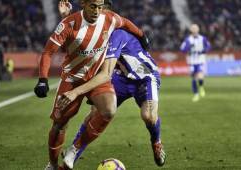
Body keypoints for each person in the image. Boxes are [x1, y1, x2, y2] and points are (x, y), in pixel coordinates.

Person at [33, 0, 147, 169]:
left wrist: (142, 36)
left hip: (96, 78)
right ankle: (52, 164)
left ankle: (74, 150)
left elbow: (127, 23)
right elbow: (48, 52)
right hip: (72, 79)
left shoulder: (109, 19)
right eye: (93, 6)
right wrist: (43, 80)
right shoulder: (68, 24)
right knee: (59, 125)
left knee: (109, 110)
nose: (97, 11)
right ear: (83, 4)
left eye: (100, 7)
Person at [57, 0, 166, 168]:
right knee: (96, 111)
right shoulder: (97, 33)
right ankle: (74, 151)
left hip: (144, 76)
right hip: (120, 77)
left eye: (100, 12)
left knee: (149, 117)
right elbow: (79, 39)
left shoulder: (116, 35)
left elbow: (105, 71)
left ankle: (156, 141)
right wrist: (66, 17)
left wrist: (77, 91)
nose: (96, 17)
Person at [180, 24, 211, 102]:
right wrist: (188, 47)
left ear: (198, 29)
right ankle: (196, 94)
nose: (194, 29)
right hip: (192, 61)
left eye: (196, 28)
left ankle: (201, 87)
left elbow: (208, 46)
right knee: (193, 78)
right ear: (191, 30)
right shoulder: (188, 40)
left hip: (200, 60)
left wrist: (205, 50)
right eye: (193, 28)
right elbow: (182, 49)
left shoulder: (202, 38)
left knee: (200, 76)